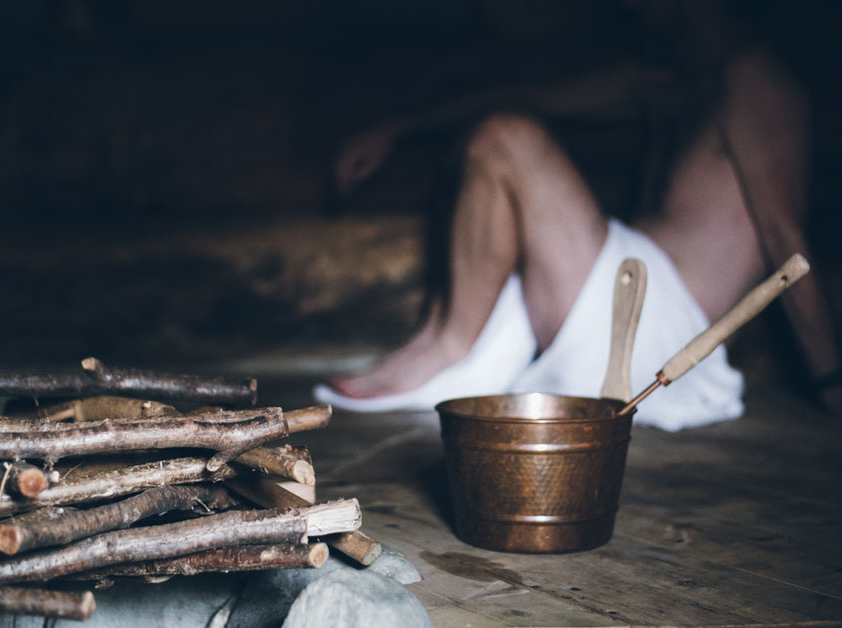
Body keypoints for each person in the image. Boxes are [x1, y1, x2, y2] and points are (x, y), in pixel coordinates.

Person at [314, 2, 842, 428]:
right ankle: (440, 341)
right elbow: (523, 94)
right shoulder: (673, 82)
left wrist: (830, 379)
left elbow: (784, 235)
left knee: (507, 136)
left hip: (660, 322)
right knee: (499, 130)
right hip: (624, 280)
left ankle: (454, 347)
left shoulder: (756, 78)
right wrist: (399, 126)